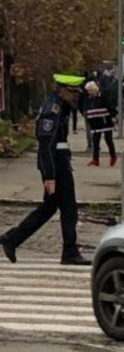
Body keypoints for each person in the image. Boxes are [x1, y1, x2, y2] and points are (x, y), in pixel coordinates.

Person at [0, 75, 90, 266]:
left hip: (59, 163)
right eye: (73, 92)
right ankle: (70, 251)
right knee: (68, 207)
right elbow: (45, 145)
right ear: (62, 90)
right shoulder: (52, 110)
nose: (75, 97)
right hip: (56, 165)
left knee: (49, 208)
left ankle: (12, 238)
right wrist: (49, 175)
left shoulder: (60, 106)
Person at [83, 81, 117, 167]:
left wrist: (113, 116)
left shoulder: (103, 97)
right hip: (95, 124)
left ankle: (113, 156)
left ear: (94, 90)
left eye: (90, 90)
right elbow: (86, 109)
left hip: (105, 123)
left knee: (108, 140)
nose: (89, 92)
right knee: (95, 141)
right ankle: (95, 159)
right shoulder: (89, 99)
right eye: (88, 91)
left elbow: (110, 107)